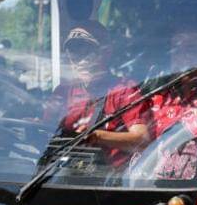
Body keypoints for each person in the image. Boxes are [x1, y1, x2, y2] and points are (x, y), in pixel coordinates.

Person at [46, 21, 150, 165]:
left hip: (104, 178)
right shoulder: (63, 91)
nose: (82, 60)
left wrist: (96, 136)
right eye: (75, 52)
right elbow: (46, 130)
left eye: (88, 51)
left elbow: (142, 139)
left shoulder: (123, 90)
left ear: (106, 52)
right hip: (57, 172)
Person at [143, 27, 197, 180]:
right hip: (146, 183)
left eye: (191, 49)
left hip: (193, 187)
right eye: (177, 50)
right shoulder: (156, 99)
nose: (182, 57)